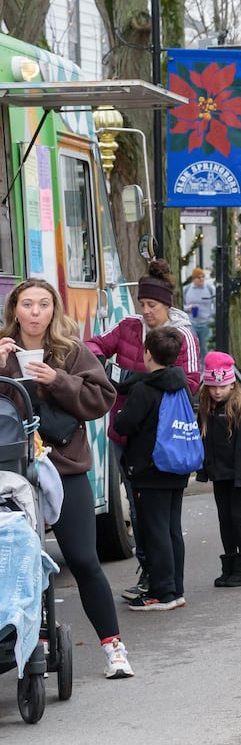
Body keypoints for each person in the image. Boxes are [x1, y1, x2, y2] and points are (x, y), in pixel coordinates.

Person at [0, 278, 131, 677]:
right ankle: (25, 638)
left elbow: (101, 398)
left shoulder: (70, 351)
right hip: (10, 471)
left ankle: (114, 649)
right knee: (16, 560)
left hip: (64, 465)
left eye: (43, 304)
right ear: (14, 311)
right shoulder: (2, 349)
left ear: (54, 310)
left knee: (83, 559)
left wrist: (56, 380)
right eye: (27, 305)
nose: (35, 312)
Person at [88, 259, 201, 598]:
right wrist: (102, 369)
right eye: (142, 304)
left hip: (162, 437)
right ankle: (151, 572)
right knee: (139, 511)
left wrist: (142, 383)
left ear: (167, 304)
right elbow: (94, 346)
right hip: (126, 433)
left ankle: (161, 581)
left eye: (152, 305)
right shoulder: (127, 327)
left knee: (159, 517)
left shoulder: (182, 336)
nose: (146, 311)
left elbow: (192, 382)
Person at [114, 328, 193, 611]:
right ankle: (176, 587)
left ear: (147, 353)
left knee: (155, 530)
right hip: (176, 465)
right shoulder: (180, 384)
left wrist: (121, 415)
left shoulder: (144, 390)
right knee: (172, 529)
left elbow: (123, 425)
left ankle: (162, 592)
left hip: (150, 467)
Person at [196, 352, 241, 588]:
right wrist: (204, 471)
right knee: (224, 518)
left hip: (240, 474)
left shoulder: (240, 409)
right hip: (220, 473)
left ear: (232, 383)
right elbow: (204, 442)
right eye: (212, 386)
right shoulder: (206, 409)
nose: (217, 391)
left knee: (237, 516)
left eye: (222, 386)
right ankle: (230, 565)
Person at [183, 266, 215, 355]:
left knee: (205, 348)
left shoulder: (210, 289)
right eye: (198, 277)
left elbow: (215, 304)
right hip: (191, 323)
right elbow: (180, 305)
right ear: (194, 279)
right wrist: (187, 308)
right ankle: (196, 367)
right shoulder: (186, 289)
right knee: (193, 347)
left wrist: (211, 317)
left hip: (206, 323)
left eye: (202, 277)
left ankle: (204, 367)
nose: (201, 279)